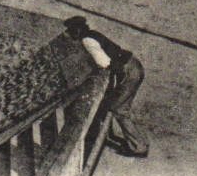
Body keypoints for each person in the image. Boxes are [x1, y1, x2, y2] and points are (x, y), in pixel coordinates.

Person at [63, 16, 148, 158]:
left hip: (129, 72)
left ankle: (139, 148)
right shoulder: (93, 34)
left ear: (77, 31)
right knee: (120, 106)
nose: (71, 35)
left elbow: (104, 63)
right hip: (133, 65)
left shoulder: (87, 41)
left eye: (71, 31)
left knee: (120, 109)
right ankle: (138, 142)